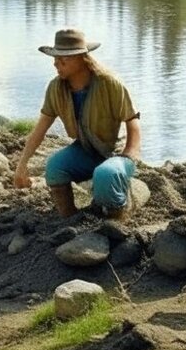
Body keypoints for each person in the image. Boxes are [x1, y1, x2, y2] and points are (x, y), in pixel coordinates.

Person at [12, 28, 142, 219]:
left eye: (63, 58)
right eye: (55, 57)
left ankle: (118, 218)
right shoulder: (56, 88)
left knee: (105, 175)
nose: (56, 63)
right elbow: (41, 128)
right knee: (54, 167)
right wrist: (21, 165)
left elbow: (133, 121)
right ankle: (70, 218)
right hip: (86, 150)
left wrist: (128, 157)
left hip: (116, 153)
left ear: (81, 58)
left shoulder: (109, 84)